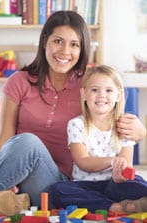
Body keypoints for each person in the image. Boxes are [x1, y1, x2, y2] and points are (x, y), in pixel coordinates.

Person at [0, 11, 146, 216]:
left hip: (55, 183)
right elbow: (3, 143)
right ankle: (5, 197)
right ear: (45, 42)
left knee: (28, 143)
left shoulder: (88, 87)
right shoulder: (19, 81)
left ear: (82, 49)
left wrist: (140, 132)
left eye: (74, 45)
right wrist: (9, 177)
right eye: (58, 41)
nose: (65, 51)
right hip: (15, 172)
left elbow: (113, 114)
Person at [50, 65, 147, 213]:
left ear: (118, 96)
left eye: (109, 90)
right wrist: (112, 161)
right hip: (84, 185)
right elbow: (82, 161)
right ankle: (115, 207)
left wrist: (121, 173)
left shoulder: (125, 126)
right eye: (95, 90)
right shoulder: (76, 124)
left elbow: (127, 164)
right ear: (83, 94)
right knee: (58, 190)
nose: (102, 95)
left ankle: (119, 203)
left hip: (115, 185)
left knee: (139, 184)